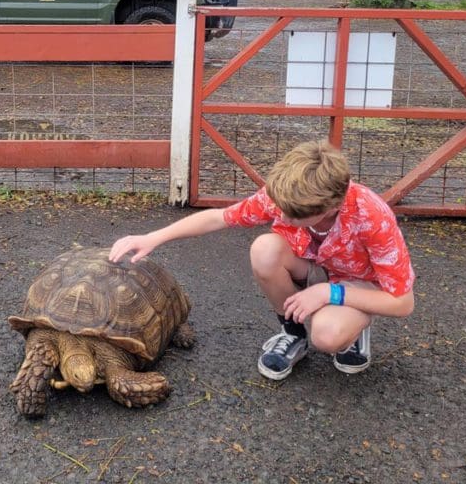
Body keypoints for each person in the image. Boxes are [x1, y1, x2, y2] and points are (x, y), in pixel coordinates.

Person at [109, 140, 414, 381]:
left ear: (331, 206)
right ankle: (293, 335)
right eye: (279, 208)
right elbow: (219, 218)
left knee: (327, 334)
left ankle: (355, 327)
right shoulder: (288, 194)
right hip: (315, 267)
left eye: (293, 215)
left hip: (356, 282)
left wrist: (329, 293)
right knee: (264, 249)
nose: (280, 216)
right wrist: (152, 238)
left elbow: (403, 302)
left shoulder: (372, 217)